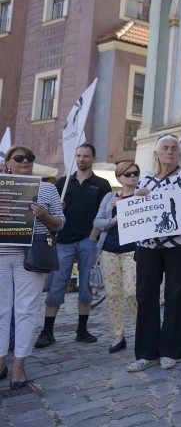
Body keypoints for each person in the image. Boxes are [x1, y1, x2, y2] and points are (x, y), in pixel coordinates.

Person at [127, 134, 181, 372]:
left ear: (179, 152)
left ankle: (171, 351)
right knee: (145, 296)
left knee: (175, 297)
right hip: (148, 246)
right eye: (165, 148)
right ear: (156, 154)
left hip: (178, 245)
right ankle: (146, 353)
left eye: (174, 148)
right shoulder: (147, 179)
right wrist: (137, 197)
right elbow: (138, 210)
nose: (170, 152)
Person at [0, 145, 65, 389]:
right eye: (19, 157)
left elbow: (59, 224)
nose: (25, 161)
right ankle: (0, 363)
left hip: (33, 254)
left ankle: (18, 366)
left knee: (26, 310)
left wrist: (45, 216)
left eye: (30, 158)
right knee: (1, 312)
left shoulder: (46, 187)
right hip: (1, 254)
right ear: (8, 162)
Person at [35, 143, 111, 348]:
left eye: (86, 156)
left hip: (88, 240)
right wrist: (57, 208)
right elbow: (51, 213)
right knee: (56, 286)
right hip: (63, 242)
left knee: (86, 286)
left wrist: (93, 237)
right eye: (78, 155)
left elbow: (103, 214)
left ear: (93, 158)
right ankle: (47, 331)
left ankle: (82, 330)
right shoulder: (62, 183)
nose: (81, 159)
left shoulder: (102, 184)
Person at [92, 161, 140, 353]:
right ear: (119, 177)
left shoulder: (143, 195)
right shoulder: (110, 197)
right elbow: (97, 221)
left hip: (133, 250)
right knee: (112, 295)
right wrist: (113, 219)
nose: (132, 176)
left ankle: (142, 331)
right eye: (127, 174)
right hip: (109, 249)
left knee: (132, 292)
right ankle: (118, 334)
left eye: (135, 173)